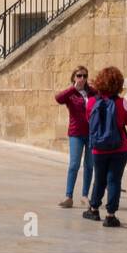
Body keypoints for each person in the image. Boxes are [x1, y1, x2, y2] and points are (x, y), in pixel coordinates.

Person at [83, 66, 127, 227]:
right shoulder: (122, 102)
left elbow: (88, 120)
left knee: (99, 179)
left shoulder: (91, 102)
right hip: (120, 148)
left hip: (98, 148)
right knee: (114, 180)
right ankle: (111, 215)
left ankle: (93, 208)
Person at [54, 66, 93, 208]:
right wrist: (73, 88)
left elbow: (103, 96)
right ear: (74, 77)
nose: (82, 78)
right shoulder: (70, 94)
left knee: (89, 165)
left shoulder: (91, 92)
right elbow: (58, 98)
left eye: (84, 75)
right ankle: (68, 196)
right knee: (74, 164)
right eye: (79, 75)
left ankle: (85, 196)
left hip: (91, 134)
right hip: (76, 133)